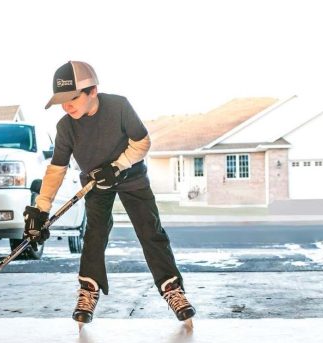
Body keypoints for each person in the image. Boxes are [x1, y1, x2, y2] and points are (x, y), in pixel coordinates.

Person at [23, 60, 196, 326]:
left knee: (150, 230)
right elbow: (56, 169)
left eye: (72, 98)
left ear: (92, 91)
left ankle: (172, 288)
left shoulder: (119, 107)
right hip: (95, 182)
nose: (66, 105)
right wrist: (41, 208)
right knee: (95, 232)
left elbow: (142, 142)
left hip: (131, 177)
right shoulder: (65, 127)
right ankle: (88, 290)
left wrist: (117, 167)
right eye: (61, 100)